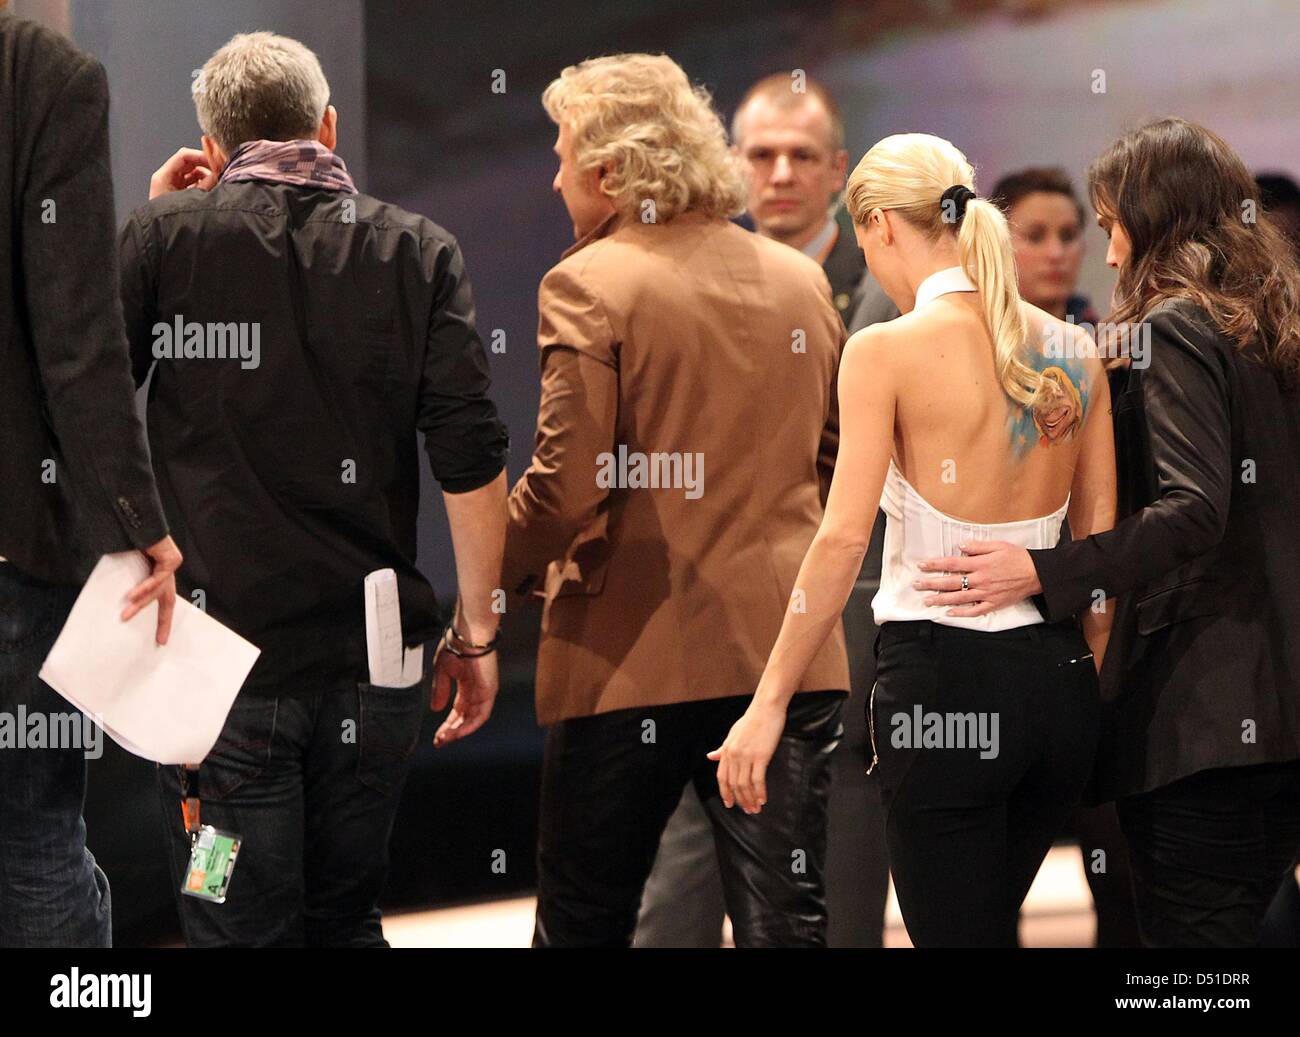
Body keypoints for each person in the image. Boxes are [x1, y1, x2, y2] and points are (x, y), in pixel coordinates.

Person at [122, 32, 509, 946]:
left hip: (218, 674)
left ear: (210, 149)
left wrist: (160, 231)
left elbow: (91, 404)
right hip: (377, 675)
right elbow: (472, 457)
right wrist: (479, 632)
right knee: (346, 916)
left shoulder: (163, 238)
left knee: (225, 914)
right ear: (328, 127)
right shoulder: (420, 252)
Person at [710, 132, 1116, 947]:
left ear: (880, 226)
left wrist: (768, 701)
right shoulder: (1075, 348)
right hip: (1061, 695)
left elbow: (840, 541)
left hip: (943, 692)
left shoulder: (883, 349)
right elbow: (1099, 554)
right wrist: (1084, 693)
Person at [916, 118, 1300, 948]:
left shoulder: (1174, 327)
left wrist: (1044, 570)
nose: (1112, 255)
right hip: (1279, 719)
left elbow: (1195, 509)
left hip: (1206, 723)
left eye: (1113, 225)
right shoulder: (1268, 332)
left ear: (1153, 219)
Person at [503, 53, 850, 948]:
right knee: (788, 925)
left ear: (611, 171)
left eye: (563, 152)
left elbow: (564, 484)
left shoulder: (587, 282)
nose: (554, 175)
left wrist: (484, 571)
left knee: (585, 919)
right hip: (784, 656)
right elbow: (832, 459)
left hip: (632, 654)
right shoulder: (800, 279)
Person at [636, 70, 893, 949]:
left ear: (837, 170)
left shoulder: (887, 292)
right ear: (734, 164)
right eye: (762, 154)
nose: (780, 172)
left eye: (801, 155)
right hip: (712, 612)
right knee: (683, 872)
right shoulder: (691, 280)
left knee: (837, 863)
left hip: (848, 610)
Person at [0, 4, 182, 947]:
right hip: (15, 544)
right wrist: (134, 518)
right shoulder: (44, 79)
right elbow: (76, 341)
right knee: (30, 832)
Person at [991, 166, 1140, 948]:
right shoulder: (970, 348)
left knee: (1115, 859)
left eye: (1069, 234)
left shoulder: (1115, 345)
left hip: (1092, 629)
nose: (1056, 251)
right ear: (993, 240)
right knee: (988, 884)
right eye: (1033, 235)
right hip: (988, 625)